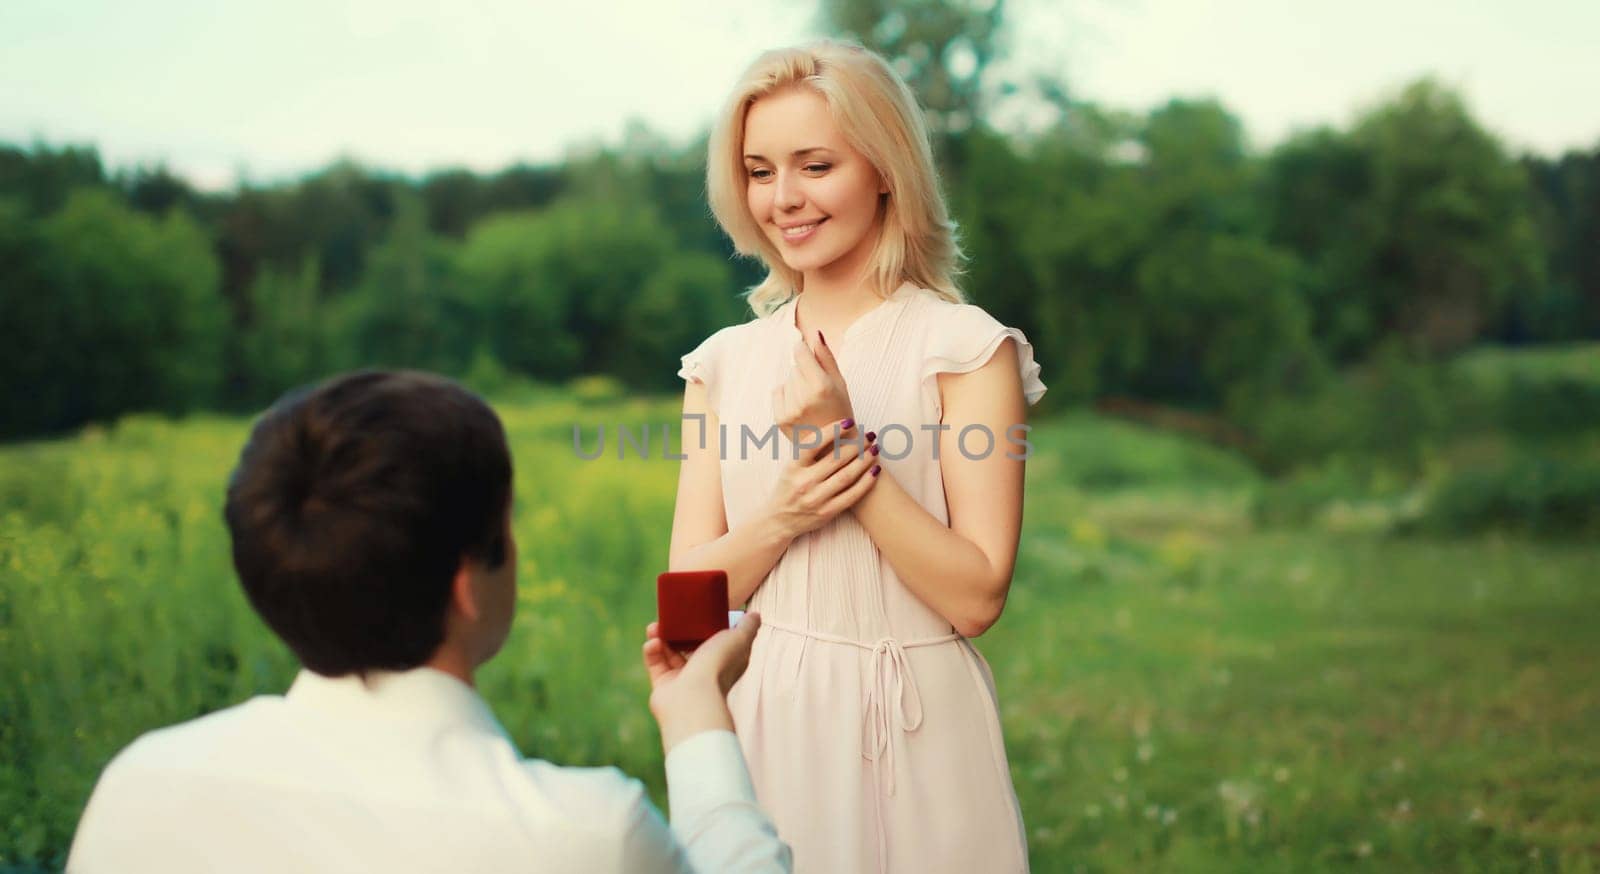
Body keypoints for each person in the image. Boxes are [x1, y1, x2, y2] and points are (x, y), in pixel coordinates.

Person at [67, 370, 792, 874]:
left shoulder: (140, 783)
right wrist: (696, 721)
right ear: (466, 583)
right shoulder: (584, 833)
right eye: (505, 531)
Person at [669, 41, 1046, 873]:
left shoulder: (967, 352)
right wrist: (786, 514)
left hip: (918, 728)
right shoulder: (723, 363)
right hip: (764, 720)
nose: (785, 199)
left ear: (884, 168)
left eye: (815, 165)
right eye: (760, 171)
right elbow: (688, 611)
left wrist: (845, 453)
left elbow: (976, 596)